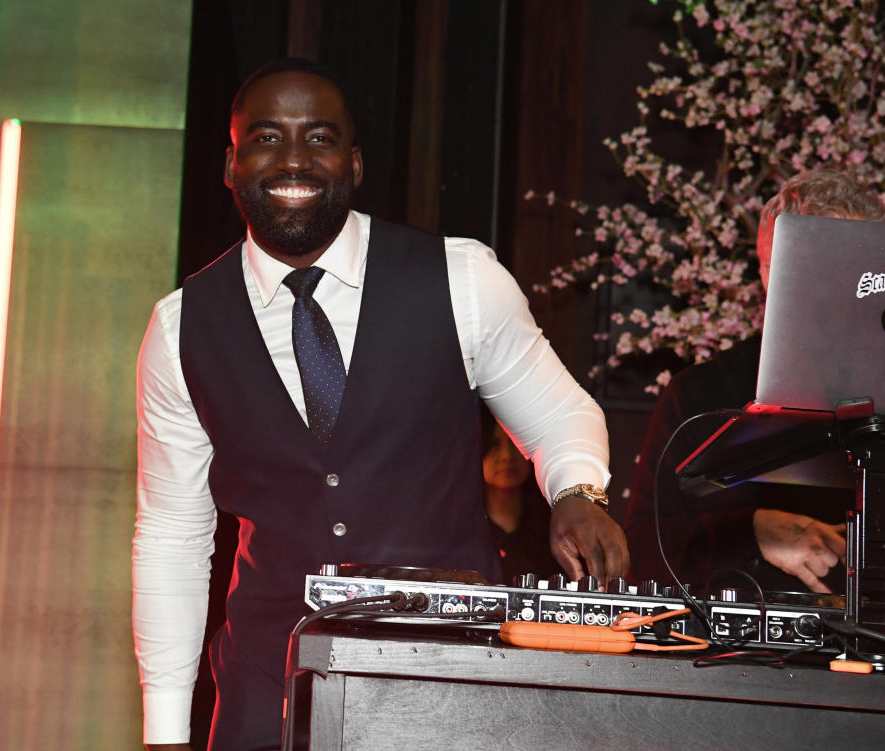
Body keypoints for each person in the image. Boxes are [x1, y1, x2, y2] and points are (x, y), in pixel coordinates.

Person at [133, 57, 628, 751]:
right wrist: (165, 728)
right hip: (264, 693)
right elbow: (172, 536)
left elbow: (560, 413)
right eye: (269, 137)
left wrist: (578, 489)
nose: (295, 158)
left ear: (356, 165)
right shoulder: (182, 326)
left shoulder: (462, 279)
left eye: (321, 137)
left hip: (453, 683)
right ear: (230, 163)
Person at [624, 168, 885, 596]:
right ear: (770, 272)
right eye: (826, 263)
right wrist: (749, 531)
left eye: (862, 265)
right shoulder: (698, 395)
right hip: (733, 657)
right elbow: (639, 550)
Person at [481, 407, 562, 583]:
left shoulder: (554, 526)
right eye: (494, 444)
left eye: (515, 444)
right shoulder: (458, 528)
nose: (506, 456)